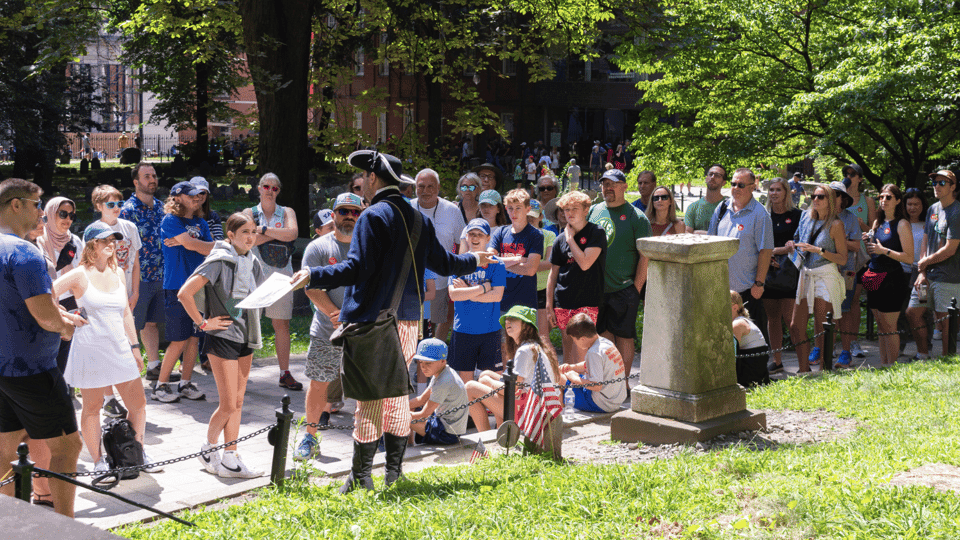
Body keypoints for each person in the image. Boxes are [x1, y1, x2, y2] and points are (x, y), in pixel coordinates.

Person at [290, 150, 493, 494]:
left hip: (374, 323)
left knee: (369, 401)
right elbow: (444, 263)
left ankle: (361, 477)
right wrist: (474, 258)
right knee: (397, 398)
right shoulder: (417, 219)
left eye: (365, 179)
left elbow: (357, 268)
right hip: (410, 322)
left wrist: (313, 274)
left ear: (372, 178)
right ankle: (394, 474)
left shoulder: (372, 217)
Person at [0, 178, 83, 518]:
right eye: (36, 205)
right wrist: (65, 326)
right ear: (15, 205)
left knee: (5, 448)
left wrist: (56, 314)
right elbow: (45, 316)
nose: (41, 212)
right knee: (67, 446)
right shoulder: (24, 253)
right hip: (33, 371)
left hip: (4, 370)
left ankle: (10, 522)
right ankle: (65, 527)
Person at [54, 222, 159, 475]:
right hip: (90, 348)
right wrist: (66, 316)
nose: (111, 244)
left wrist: (135, 346)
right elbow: (44, 294)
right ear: (91, 245)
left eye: (113, 240)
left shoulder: (119, 273)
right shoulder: (79, 274)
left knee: (138, 404)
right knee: (92, 407)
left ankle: (136, 452)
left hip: (119, 347)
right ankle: (99, 461)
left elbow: (125, 312)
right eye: (104, 240)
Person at [177, 213, 266, 478]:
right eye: (244, 233)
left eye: (253, 232)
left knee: (238, 403)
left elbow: (259, 295)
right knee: (228, 404)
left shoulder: (253, 262)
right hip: (222, 337)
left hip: (246, 336)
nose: (250, 237)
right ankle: (208, 448)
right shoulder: (219, 260)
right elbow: (184, 293)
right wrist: (203, 323)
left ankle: (230, 457)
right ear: (230, 236)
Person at [294, 194, 363, 462]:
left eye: (355, 212)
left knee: (367, 387)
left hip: (361, 330)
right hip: (327, 330)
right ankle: (310, 438)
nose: (349, 216)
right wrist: (335, 314)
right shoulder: (318, 247)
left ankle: (371, 437)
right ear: (333, 215)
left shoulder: (368, 247)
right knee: (319, 384)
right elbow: (309, 286)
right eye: (343, 211)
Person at [587, 168, 650, 379]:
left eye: (613, 184)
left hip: (624, 287)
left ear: (624, 187)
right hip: (596, 288)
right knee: (603, 337)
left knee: (624, 336)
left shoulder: (637, 217)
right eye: (605, 184)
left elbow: (645, 257)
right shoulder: (593, 211)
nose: (608, 188)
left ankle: (623, 383)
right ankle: (609, 381)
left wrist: (636, 289)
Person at [154, 181, 212, 402]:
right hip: (177, 286)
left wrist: (190, 243)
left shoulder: (201, 222)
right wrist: (191, 243)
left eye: (199, 195)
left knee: (194, 339)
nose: (197, 199)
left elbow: (210, 249)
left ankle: (185, 383)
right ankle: (161, 386)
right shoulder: (171, 220)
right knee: (179, 339)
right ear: (177, 198)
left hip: (198, 287)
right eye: (191, 196)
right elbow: (196, 246)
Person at [244, 173, 302, 391]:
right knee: (249, 326)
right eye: (266, 186)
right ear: (259, 188)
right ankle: (241, 374)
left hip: (281, 277)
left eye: (274, 188)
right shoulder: (249, 213)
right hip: (252, 277)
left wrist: (264, 231)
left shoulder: (287, 212)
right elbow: (247, 240)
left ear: (279, 191)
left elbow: (293, 233)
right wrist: (280, 234)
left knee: (282, 325)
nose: (270, 191)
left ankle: (284, 373)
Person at [464, 305, 562, 431]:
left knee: (470, 387)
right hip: (542, 409)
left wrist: (488, 383)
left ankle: (486, 438)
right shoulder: (534, 346)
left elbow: (511, 390)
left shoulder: (525, 350)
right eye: (507, 319)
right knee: (485, 374)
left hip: (534, 414)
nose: (507, 322)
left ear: (526, 326)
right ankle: (501, 428)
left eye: (514, 319)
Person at [91, 184, 143, 418]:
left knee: (126, 341)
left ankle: (124, 393)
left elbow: (135, 261)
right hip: (106, 296)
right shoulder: (94, 230)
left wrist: (135, 292)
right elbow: (91, 266)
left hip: (127, 293)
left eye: (119, 203)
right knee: (107, 345)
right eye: (110, 204)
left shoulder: (129, 227)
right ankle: (108, 397)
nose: (116, 208)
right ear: (99, 206)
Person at [708, 167, 774, 344]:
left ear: (752, 187)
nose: (735, 188)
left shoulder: (760, 215)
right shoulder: (721, 209)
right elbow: (710, 242)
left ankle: (756, 371)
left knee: (750, 342)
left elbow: (766, 250)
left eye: (741, 185)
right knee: (721, 338)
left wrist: (759, 284)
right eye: (733, 184)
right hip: (721, 289)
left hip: (747, 290)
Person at [120, 163, 172, 383]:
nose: (152, 179)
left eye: (154, 175)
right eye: (146, 176)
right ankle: (125, 370)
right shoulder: (127, 210)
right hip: (138, 278)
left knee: (152, 323)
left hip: (161, 274)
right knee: (131, 324)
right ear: (136, 182)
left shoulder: (162, 207)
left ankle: (153, 366)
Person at [789, 184, 848, 372]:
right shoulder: (806, 216)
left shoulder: (836, 224)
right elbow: (798, 238)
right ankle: (804, 369)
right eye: (814, 195)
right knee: (795, 326)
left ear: (829, 200)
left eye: (821, 197)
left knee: (822, 326)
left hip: (825, 274)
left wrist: (819, 251)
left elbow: (843, 258)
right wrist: (791, 245)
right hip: (806, 273)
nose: (815, 199)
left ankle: (824, 370)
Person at [547, 191, 606, 366]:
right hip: (563, 300)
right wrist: (549, 306)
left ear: (586, 209)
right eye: (566, 209)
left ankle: (585, 388)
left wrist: (571, 239)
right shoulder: (559, 240)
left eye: (574, 208)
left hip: (587, 300)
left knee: (584, 348)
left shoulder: (596, 232)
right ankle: (568, 388)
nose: (570, 213)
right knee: (567, 346)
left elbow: (585, 263)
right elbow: (553, 274)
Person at [908, 170, 960, 360]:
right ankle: (923, 355)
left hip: (949, 278)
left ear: (953, 186)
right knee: (913, 312)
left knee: (944, 320)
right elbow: (926, 240)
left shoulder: (957, 212)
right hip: (927, 275)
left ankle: (947, 360)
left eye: (942, 183)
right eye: (934, 183)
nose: (936, 186)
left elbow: (951, 248)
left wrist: (925, 262)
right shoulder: (932, 209)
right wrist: (922, 271)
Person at [447, 219, 506, 384]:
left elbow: (497, 296)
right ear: (466, 237)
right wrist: (483, 288)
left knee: (492, 380)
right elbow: (454, 295)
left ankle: (492, 409)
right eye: (472, 234)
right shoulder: (458, 263)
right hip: (463, 330)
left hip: (489, 330)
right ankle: (472, 411)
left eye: (480, 234)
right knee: (466, 383)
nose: (475, 237)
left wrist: (466, 291)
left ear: (488, 238)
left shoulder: (497, 263)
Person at [861, 184, 913, 368]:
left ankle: (892, 367)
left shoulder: (902, 224)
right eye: (881, 197)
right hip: (874, 276)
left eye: (888, 197)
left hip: (892, 279)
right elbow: (874, 252)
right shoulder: (877, 222)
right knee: (880, 326)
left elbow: (909, 257)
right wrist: (869, 243)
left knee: (890, 327)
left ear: (898, 200)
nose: (883, 200)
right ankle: (883, 366)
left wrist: (885, 251)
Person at [412, 168, 466, 342]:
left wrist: (455, 270)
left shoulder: (452, 210)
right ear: (415, 188)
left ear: (438, 187)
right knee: (411, 327)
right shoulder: (406, 208)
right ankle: (412, 363)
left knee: (432, 325)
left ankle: (432, 361)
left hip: (440, 282)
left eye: (430, 186)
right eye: (421, 186)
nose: (426, 191)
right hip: (410, 281)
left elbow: (460, 243)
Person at [38, 197, 82, 375]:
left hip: (72, 301)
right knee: (50, 350)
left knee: (68, 350)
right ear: (50, 213)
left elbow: (83, 272)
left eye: (72, 215)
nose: (68, 219)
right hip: (47, 301)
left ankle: (66, 387)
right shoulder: (38, 240)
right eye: (63, 214)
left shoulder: (75, 241)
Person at [762, 177, 802, 373]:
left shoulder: (797, 215)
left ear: (787, 192)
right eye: (771, 190)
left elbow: (799, 244)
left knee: (791, 319)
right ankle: (777, 361)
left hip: (790, 274)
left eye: (778, 189)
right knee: (773, 318)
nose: (774, 193)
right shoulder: (763, 215)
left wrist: (773, 252)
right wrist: (772, 254)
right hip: (767, 272)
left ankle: (804, 363)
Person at [840, 163, 877, 359]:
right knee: (838, 301)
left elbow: (873, 229)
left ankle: (853, 342)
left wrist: (862, 225)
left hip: (861, 260)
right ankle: (839, 342)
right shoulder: (837, 198)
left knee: (854, 301)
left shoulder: (867, 201)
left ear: (860, 178)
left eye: (853, 174)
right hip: (840, 259)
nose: (849, 177)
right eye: (846, 174)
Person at [487, 188, 543, 315]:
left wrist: (501, 263)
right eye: (510, 208)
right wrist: (518, 259)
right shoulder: (500, 232)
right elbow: (489, 262)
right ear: (506, 209)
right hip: (500, 300)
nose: (514, 212)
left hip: (525, 303)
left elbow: (530, 270)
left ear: (527, 209)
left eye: (518, 208)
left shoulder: (536, 235)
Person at [831, 181, 867, 368]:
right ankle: (825, 349)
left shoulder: (851, 219)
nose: (832, 197)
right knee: (827, 313)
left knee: (844, 312)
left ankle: (846, 353)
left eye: (836, 194)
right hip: (824, 271)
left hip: (847, 272)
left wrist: (837, 239)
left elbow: (855, 245)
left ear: (843, 198)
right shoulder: (820, 216)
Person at [559, 313, 626, 413]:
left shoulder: (593, 353)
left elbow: (597, 386)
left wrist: (576, 379)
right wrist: (572, 367)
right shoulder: (605, 343)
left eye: (574, 340)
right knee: (571, 375)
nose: (574, 343)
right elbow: (591, 364)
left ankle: (562, 414)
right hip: (616, 400)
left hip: (602, 404)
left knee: (559, 378)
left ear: (582, 339)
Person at [408, 339, 469, 445]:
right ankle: (409, 444)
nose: (423, 367)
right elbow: (421, 399)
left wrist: (397, 414)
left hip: (448, 433)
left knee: (401, 418)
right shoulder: (442, 372)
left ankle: (408, 446)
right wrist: (398, 407)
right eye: (421, 362)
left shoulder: (444, 381)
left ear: (443, 361)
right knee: (408, 409)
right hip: (442, 421)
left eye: (428, 363)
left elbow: (424, 415)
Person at [901, 188, 930, 360]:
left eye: (916, 204)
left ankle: (925, 348)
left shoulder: (928, 224)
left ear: (923, 205)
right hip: (901, 272)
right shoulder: (900, 222)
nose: (913, 207)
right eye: (909, 204)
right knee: (900, 311)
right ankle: (900, 347)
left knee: (922, 310)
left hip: (921, 272)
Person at [528, 201, 556, 346]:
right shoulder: (517, 235)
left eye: (533, 217)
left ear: (540, 216)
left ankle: (551, 368)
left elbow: (549, 263)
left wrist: (526, 265)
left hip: (542, 289)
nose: (530, 221)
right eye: (527, 217)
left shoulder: (549, 235)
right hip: (522, 288)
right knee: (520, 336)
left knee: (543, 336)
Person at [731, 290, 770, 386]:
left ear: (734, 307)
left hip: (752, 370)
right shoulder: (740, 320)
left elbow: (731, 353)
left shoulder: (737, 324)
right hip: (755, 366)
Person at [686, 164, 727, 233]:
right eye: (710, 174)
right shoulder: (693, 207)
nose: (712, 177)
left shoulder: (729, 206)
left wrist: (697, 232)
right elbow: (687, 234)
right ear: (706, 178)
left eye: (717, 175)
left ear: (724, 182)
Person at [191, 177, 223, 241]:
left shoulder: (213, 217)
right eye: (196, 192)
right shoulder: (181, 215)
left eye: (203, 192)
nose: (200, 195)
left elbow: (219, 241)